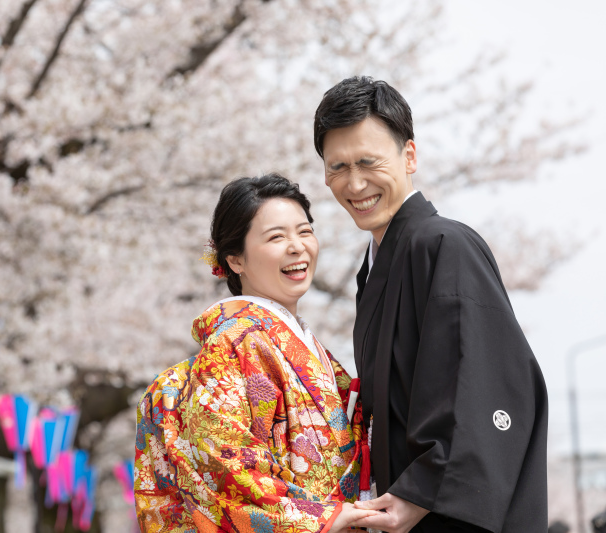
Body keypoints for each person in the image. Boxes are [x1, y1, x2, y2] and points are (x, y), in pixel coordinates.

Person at [312, 76, 549, 533]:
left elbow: (480, 381)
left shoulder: (444, 244)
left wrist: (420, 491)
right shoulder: (378, 264)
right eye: (337, 167)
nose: (354, 183)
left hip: (443, 514)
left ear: (410, 156)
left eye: (368, 161)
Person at [134, 174, 380, 532]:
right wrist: (323, 518)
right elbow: (223, 462)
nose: (297, 247)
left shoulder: (294, 342)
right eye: (276, 237)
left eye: (304, 231)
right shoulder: (236, 342)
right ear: (235, 260)